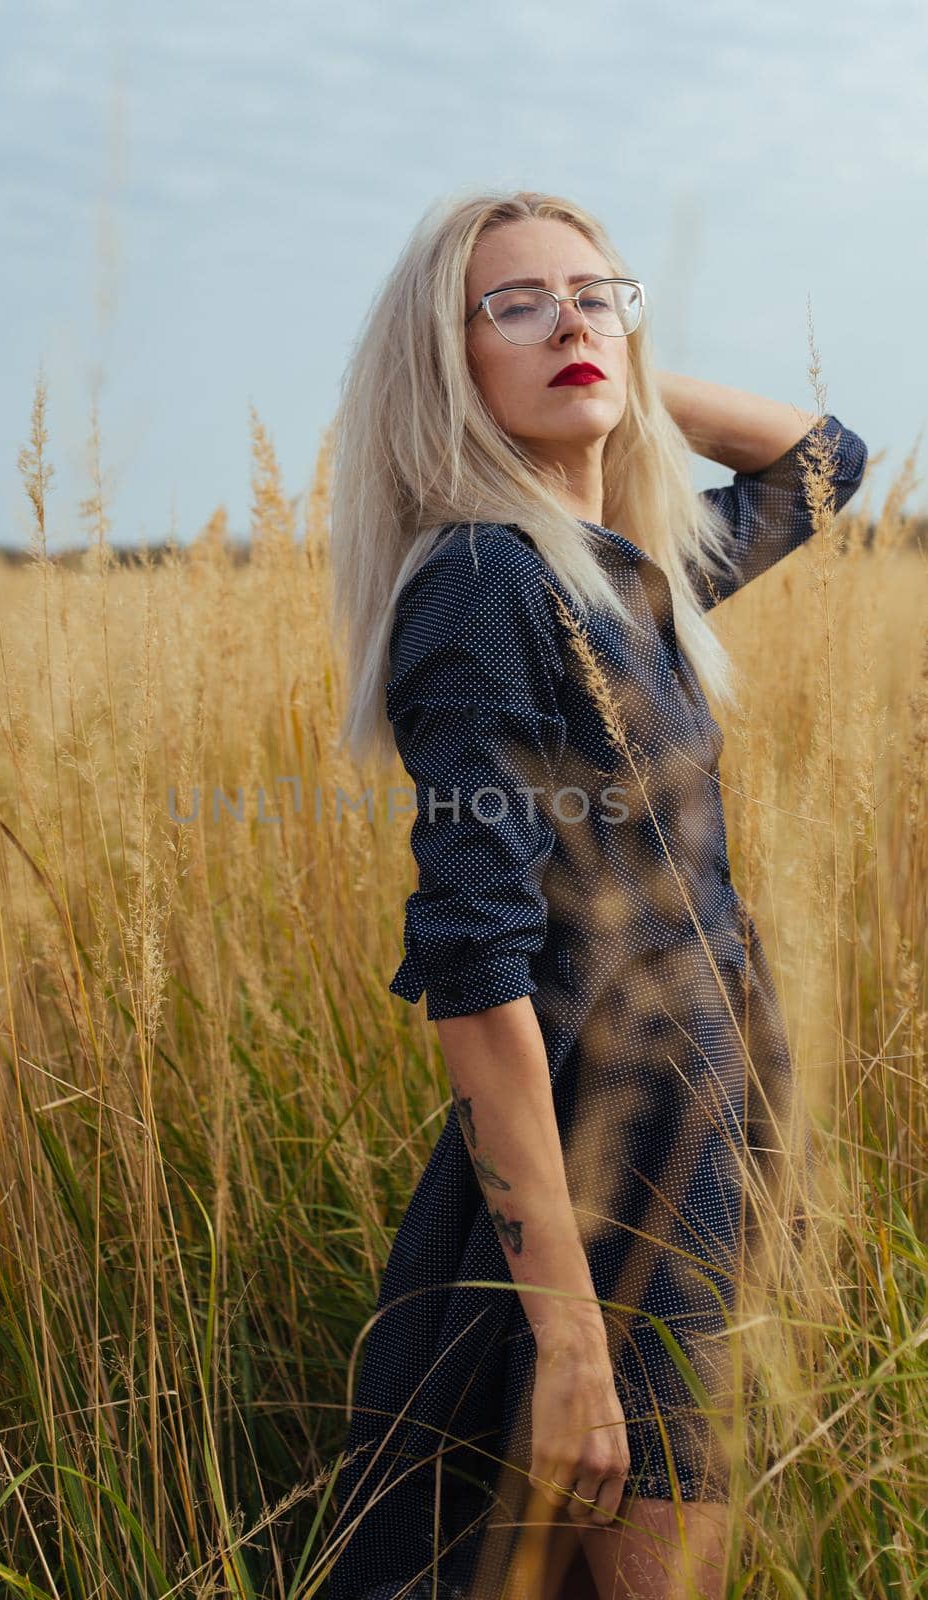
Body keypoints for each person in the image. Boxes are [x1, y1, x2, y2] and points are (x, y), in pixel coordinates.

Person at [324, 189, 867, 1600]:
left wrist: (616, 365)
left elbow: (825, 459)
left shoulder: (625, 569)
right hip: (608, 1152)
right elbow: (474, 962)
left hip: (698, 1111)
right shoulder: (486, 584)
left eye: (594, 291)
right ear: (443, 365)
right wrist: (569, 1338)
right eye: (514, 302)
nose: (569, 316)